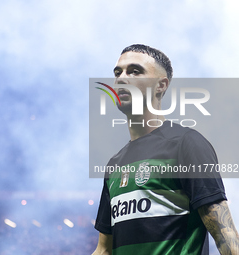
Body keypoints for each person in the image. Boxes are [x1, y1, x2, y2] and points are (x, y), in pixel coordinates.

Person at [92, 44, 239, 255]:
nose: (121, 78)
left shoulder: (186, 144)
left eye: (135, 71)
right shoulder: (114, 164)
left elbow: (225, 235)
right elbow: (103, 250)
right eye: (118, 72)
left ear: (161, 85)